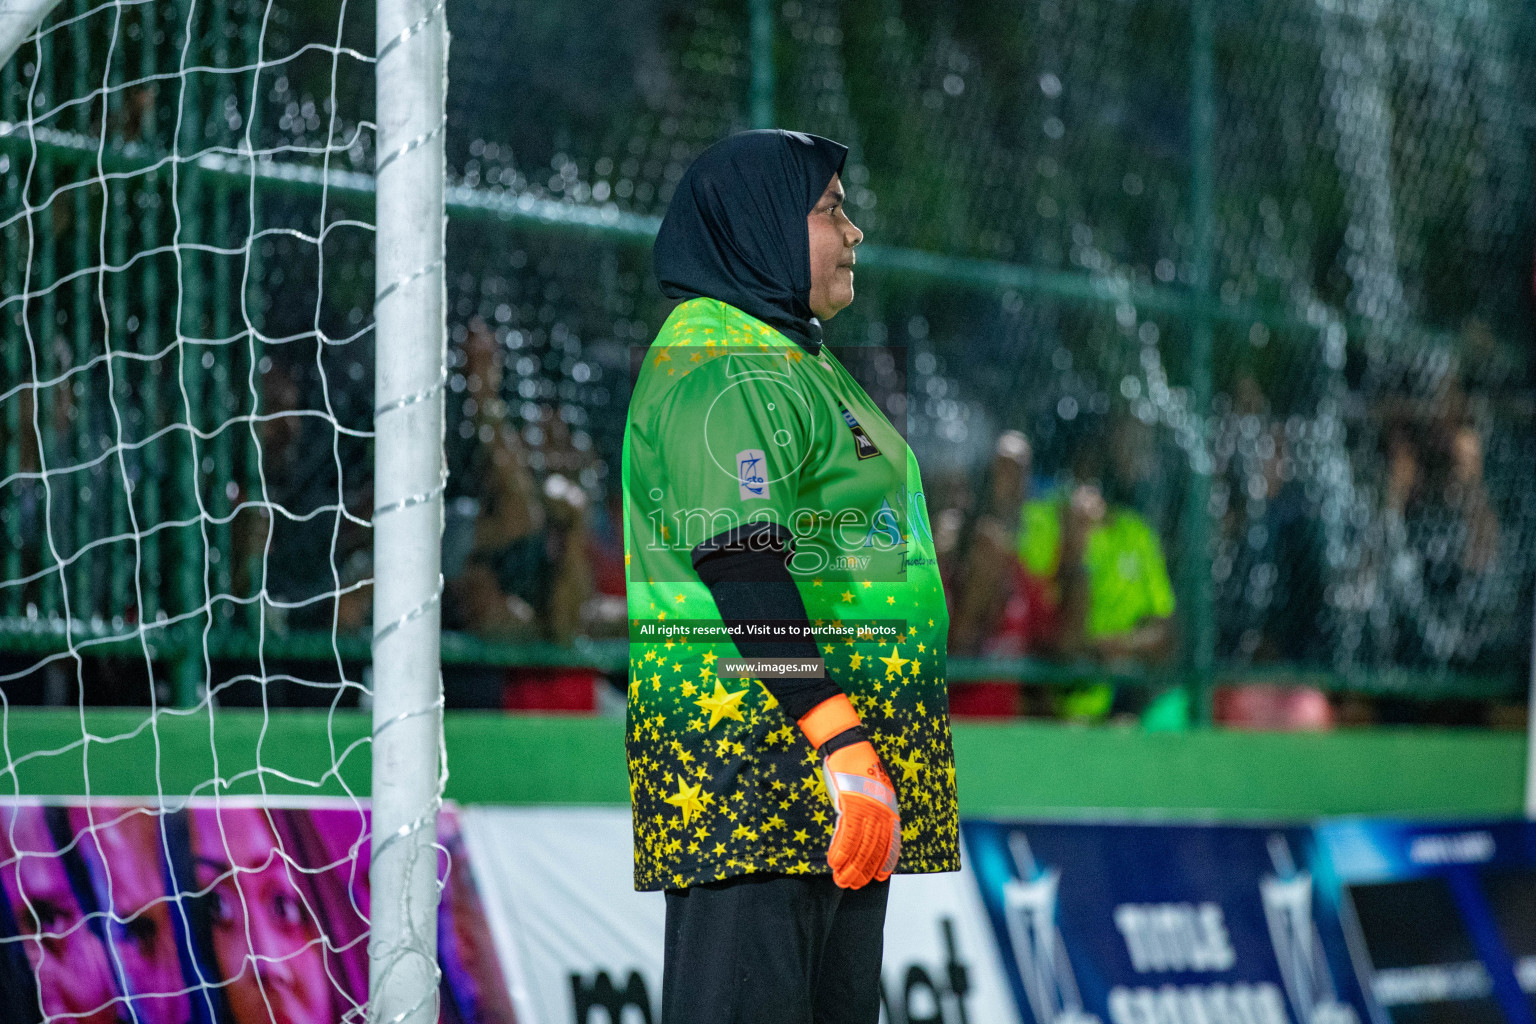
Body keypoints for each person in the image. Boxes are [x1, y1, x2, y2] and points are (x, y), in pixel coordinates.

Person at [622, 129, 959, 1024]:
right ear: (763, 224)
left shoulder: (790, 356)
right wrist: (840, 738)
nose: (853, 233)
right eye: (830, 208)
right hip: (761, 785)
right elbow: (741, 562)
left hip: (821, 798)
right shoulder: (719, 361)